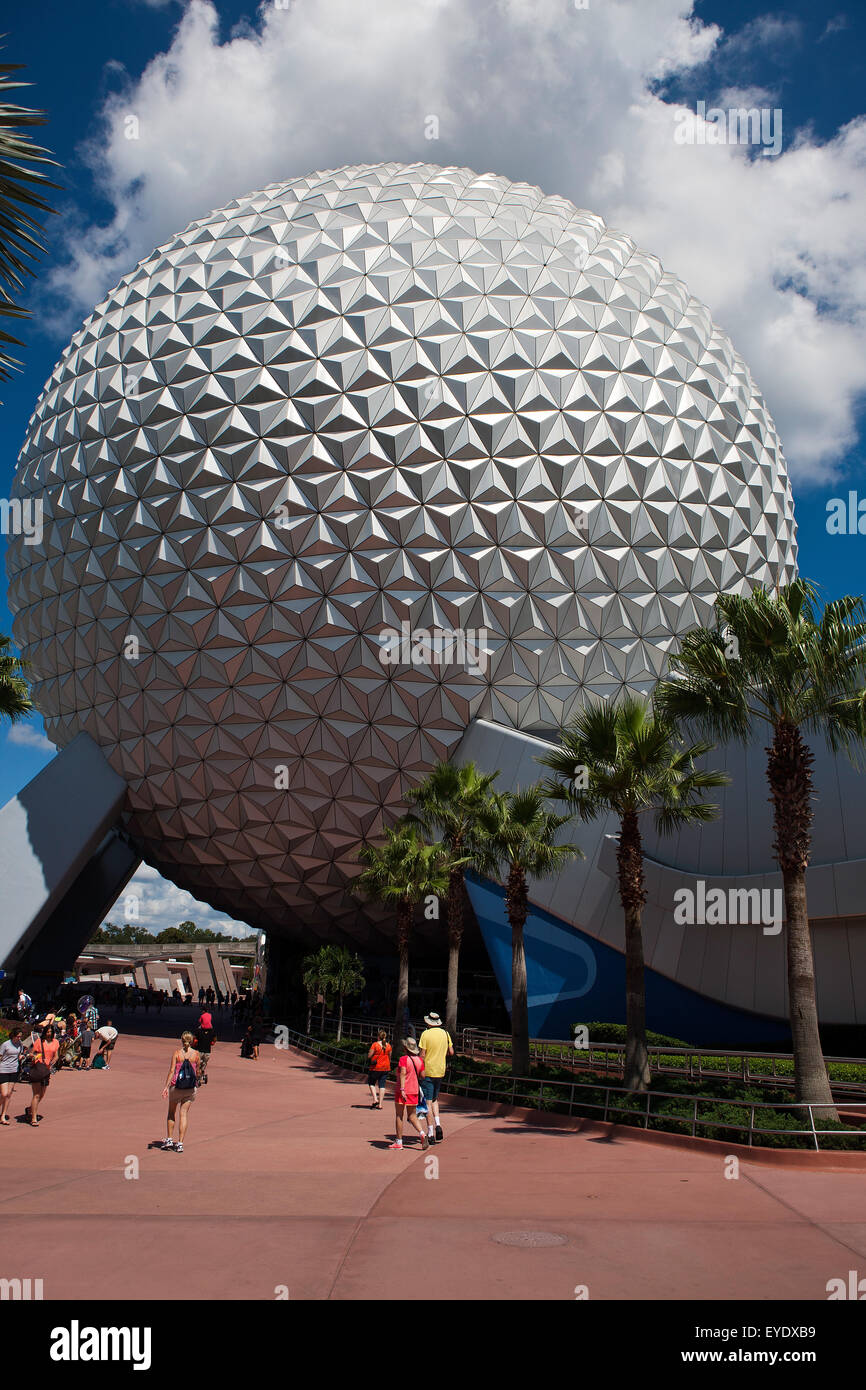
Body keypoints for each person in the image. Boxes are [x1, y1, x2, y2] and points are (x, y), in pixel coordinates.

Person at [418, 1011, 454, 1144]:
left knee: (427, 1101)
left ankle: (431, 1132)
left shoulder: (425, 1034)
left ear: (428, 1023)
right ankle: (438, 1124)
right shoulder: (445, 1033)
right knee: (434, 1099)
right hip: (440, 1070)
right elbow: (451, 1051)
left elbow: (422, 1055)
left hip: (428, 1071)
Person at [161, 1032, 200, 1153]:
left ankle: (169, 1139)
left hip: (176, 1086)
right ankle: (180, 1143)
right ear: (193, 1041)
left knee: (171, 1112)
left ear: (182, 1040)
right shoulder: (196, 1054)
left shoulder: (177, 1054)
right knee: (184, 1114)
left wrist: (166, 1087)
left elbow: (172, 1070)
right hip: (189, 1088)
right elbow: (198, 1072)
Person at [389, 1037, 428, 1151]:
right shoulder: (420, 1060)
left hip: (403, 1090)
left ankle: (399, 1142)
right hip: (414, 1090)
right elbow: (423, 1075)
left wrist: (402, 1089)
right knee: (412, 1115)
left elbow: (402, 1073)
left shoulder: (403, 1059)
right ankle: (422, 1134)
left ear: (405, 1048)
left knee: (399, 1115)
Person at [26, 1024, 59, 1126]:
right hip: (38, 1068)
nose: (49, 1034)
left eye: (50, 1032)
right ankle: (34, 1118)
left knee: (42, 1094)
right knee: (36, 1094)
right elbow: (31, 1053)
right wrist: (34, 1056)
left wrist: (51, 1063)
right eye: (47, 1032)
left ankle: (30, 1109)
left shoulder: (55, 1042)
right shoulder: (39, 1042)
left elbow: (56, 1056)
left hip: (46, 1070)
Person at [0, 1026, 24, 1124]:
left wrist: (21, 1057)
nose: (19, 1038)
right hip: (4, 1070)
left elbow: (19, 1055)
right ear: (13, 1036)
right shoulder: (6, 1044)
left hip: (14, 1070)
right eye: (18, 1036)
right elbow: (0, 1056)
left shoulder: (20, 1044)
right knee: (4, 1093)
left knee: (9, 1094)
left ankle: (3, 1115)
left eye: (20, 1037)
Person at [366, 1029, 391, 1109]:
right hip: (385, 1067)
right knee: (382, 1085)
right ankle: (380, 1104)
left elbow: (369, 1056)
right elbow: (390, 1056)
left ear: (378, 1037)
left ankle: (375, 1099)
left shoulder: (375, 1045)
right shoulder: (388, 1045)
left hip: (375, 1067)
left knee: (371, 1083)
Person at [195, 1012, 216, 1083]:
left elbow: (195, 1039)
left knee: (198, 1063)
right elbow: (214, 1040)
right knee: (204, 1063)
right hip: (207, 1050)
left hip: (199, 1050)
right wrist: (212, 1042)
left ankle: (197, 1075)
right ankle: (201, 1073)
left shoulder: (199, 1030)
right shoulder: (212, 1031)